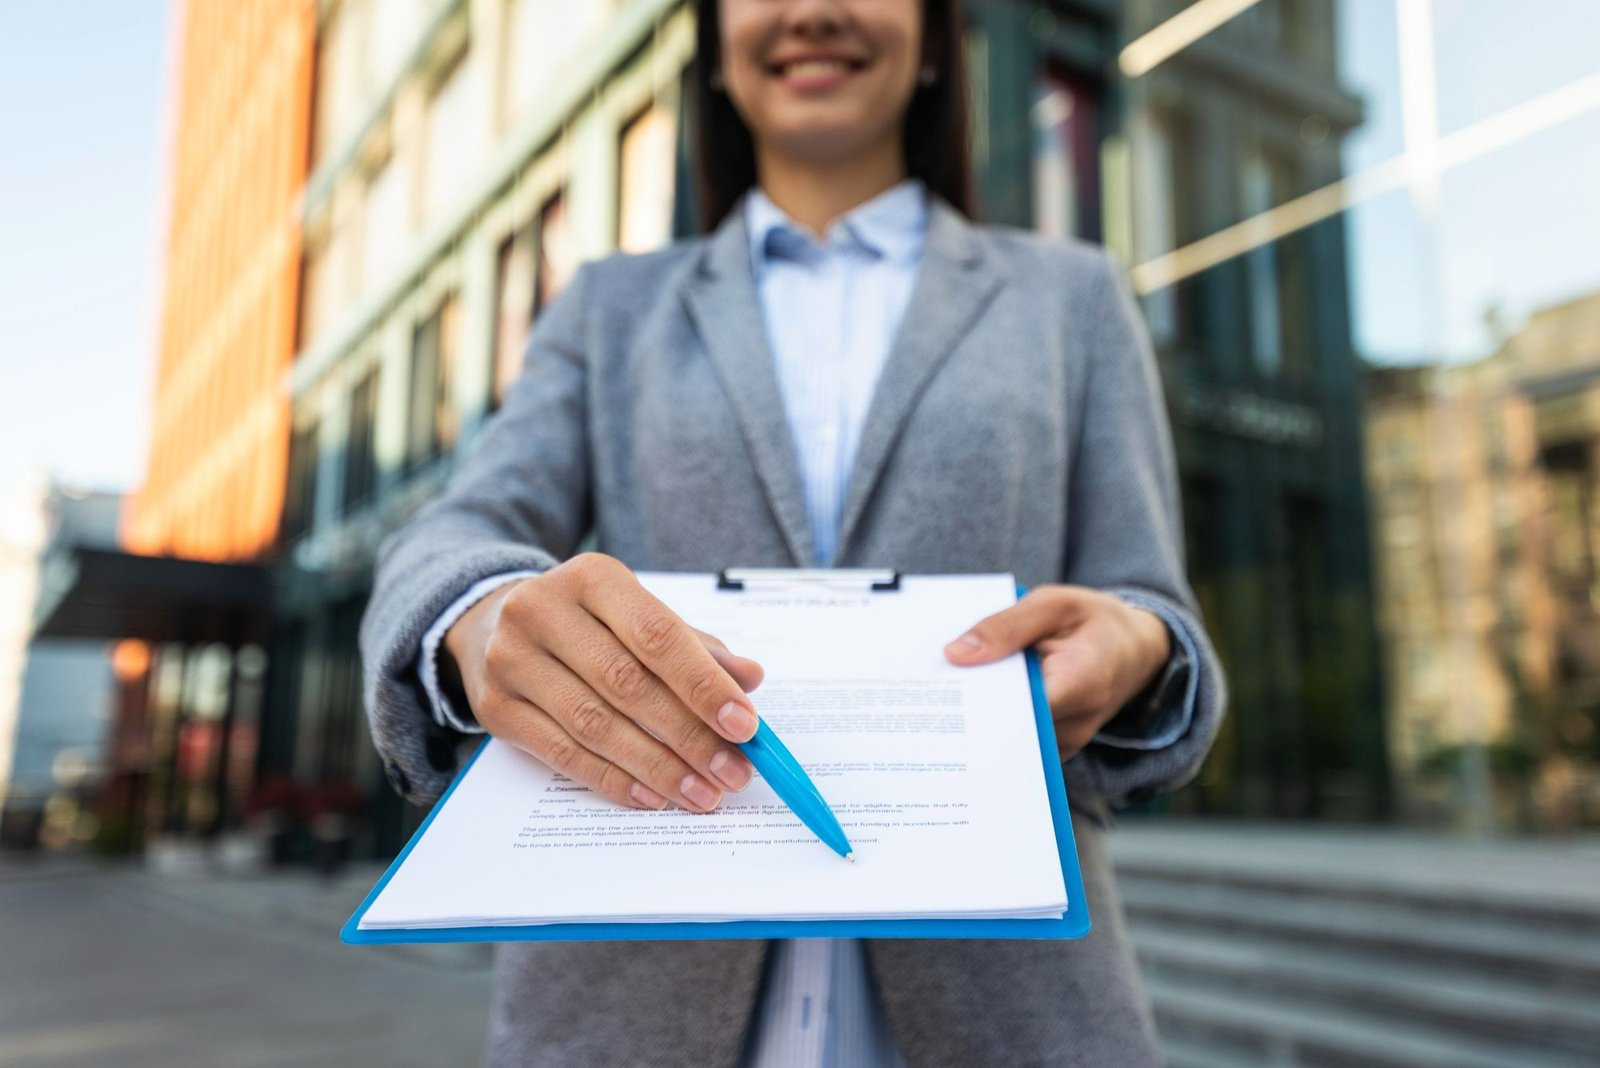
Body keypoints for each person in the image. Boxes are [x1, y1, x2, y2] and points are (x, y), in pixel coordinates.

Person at [359, 0, 1227, 1064]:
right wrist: (481, 612)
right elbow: (459, 530)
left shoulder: (1072, 297)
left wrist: (1135, 647)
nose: (812, 10)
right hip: (628, 1003)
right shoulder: (608, 307)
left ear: (931, 41)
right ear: (717, 51)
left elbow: (1148, 602)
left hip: (1013, 1006)